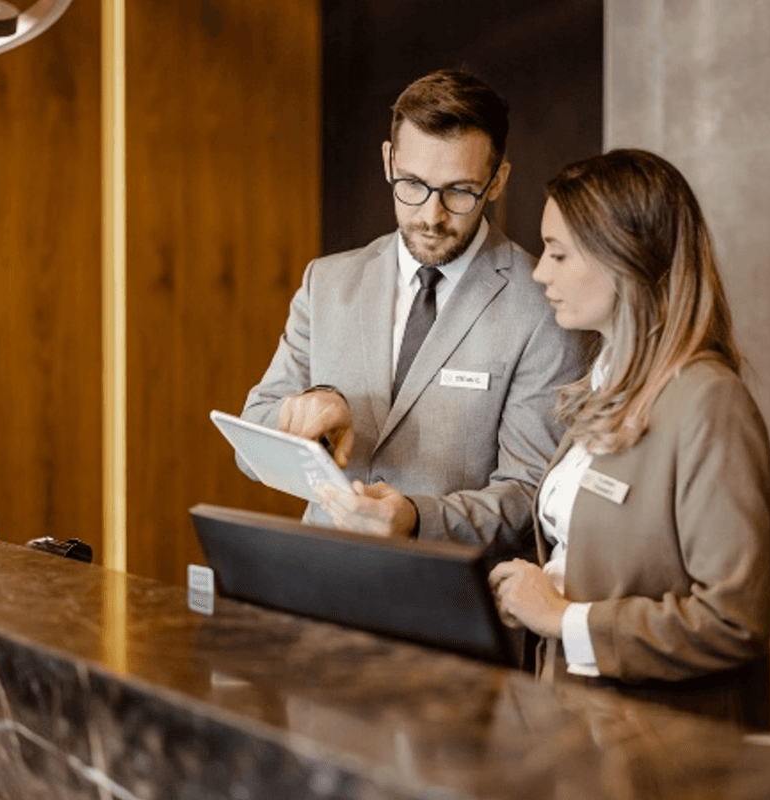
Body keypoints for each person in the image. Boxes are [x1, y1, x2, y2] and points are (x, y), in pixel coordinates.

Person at [239, 69, 584, 554]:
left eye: (460, 190)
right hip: (321, 584)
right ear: (388, 160)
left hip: (447, 605)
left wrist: (418, 518)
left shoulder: (543, 304)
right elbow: (250, 441)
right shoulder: (328, 282)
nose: (431, 215)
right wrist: (309, 415)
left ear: (498, 179)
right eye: (413, 184)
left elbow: (531, 493)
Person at [489, 148, 770, 729]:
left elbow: (733, 619)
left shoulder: (708, 403)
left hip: (669, 754)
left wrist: (563, 620)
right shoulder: (604, 387)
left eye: (559, 253)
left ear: (626, 262)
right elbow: (616, 555)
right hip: (581, 732)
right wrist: (546, 583)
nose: (540, 272)